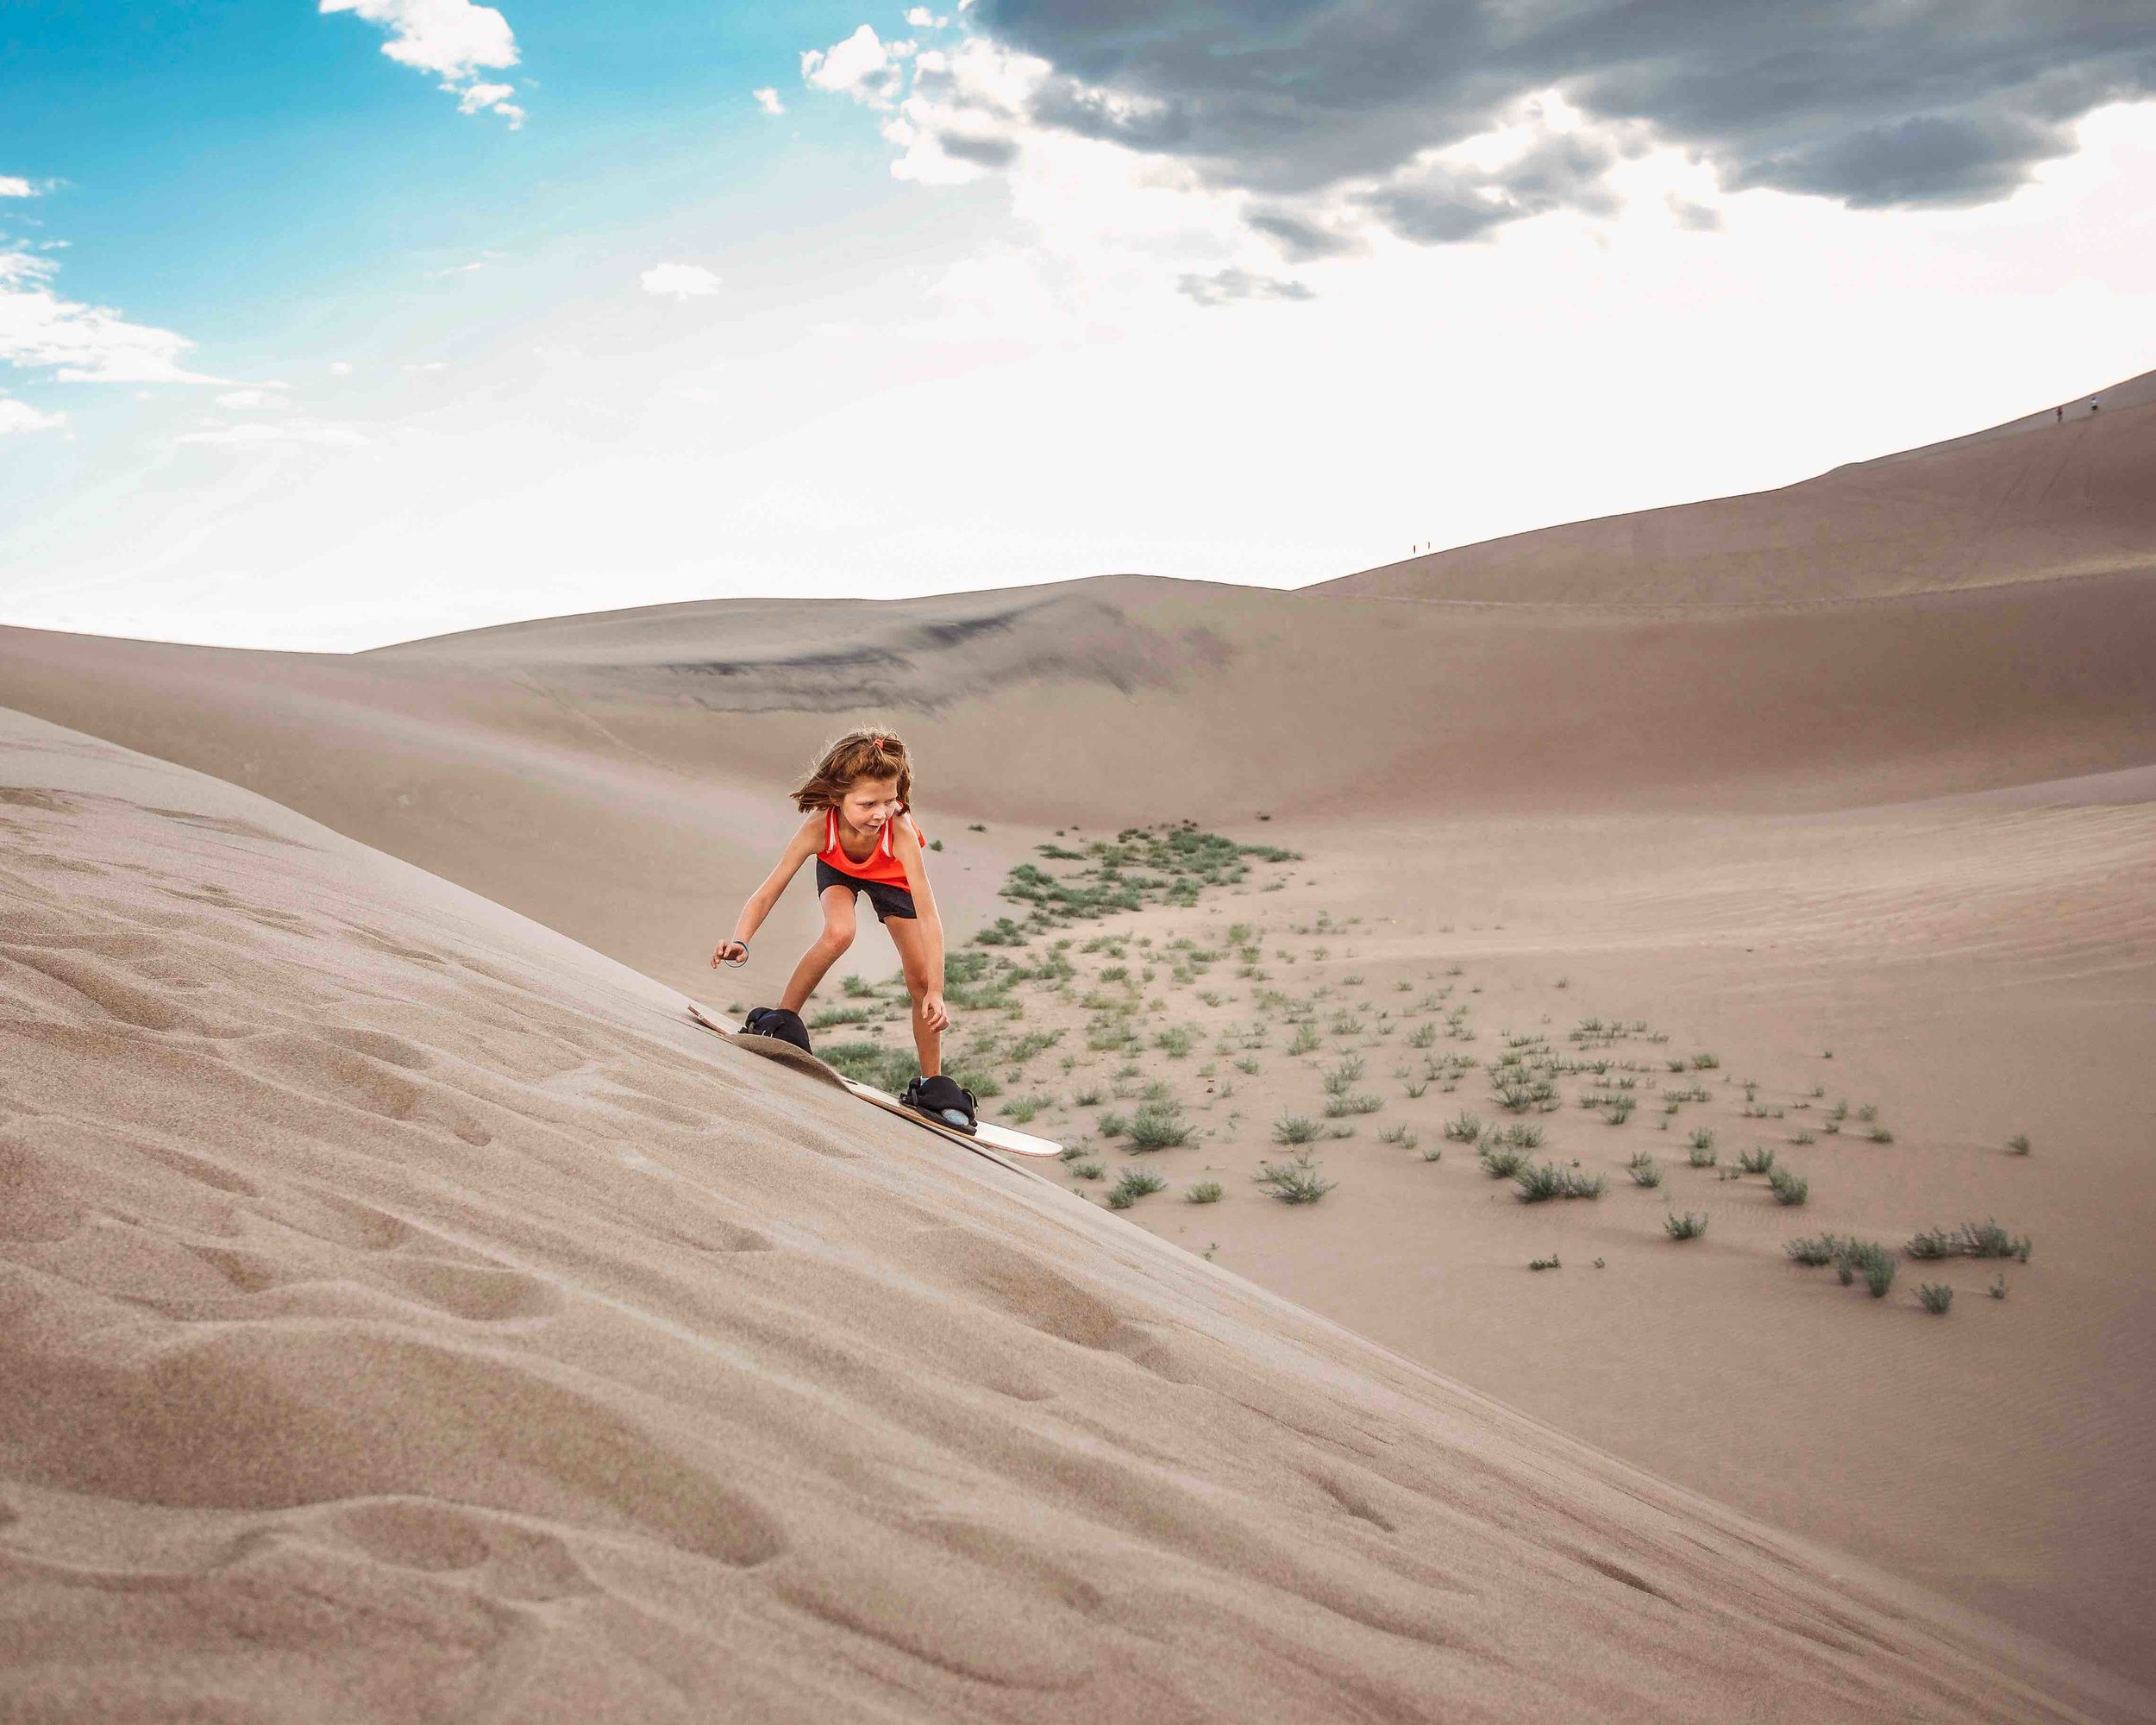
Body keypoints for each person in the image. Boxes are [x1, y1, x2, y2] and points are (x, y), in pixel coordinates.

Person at [711, 728, 974, 1132]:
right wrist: (741, 939)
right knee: (839, 932)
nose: (880, 813)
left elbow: (929, 916)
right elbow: (770, 889)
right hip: (839, 865)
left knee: (919, 977)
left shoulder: (899, 832)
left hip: (893, 879)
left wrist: (937, 991)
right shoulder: (820, 829)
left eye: (890, 801)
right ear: (837, 797)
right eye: (867, 803)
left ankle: (931, 1085)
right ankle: (782, 1024)